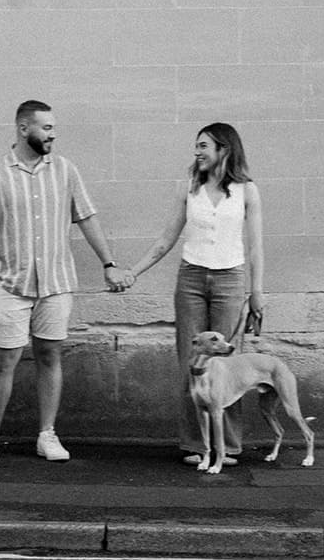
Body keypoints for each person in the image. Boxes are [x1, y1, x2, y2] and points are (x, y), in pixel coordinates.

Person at [0, 100, 132, 462]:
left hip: (56, 283)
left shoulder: (66, 170)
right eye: (47, 128)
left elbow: (86, 218)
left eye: (54, 128)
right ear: (24, 128)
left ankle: (47, 435)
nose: (53, 135)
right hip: (8, 283)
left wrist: (109, 263)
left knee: (49, 354)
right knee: (4, 359)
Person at [123, 122, 265, 465]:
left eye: (203, 145)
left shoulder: (247, 191)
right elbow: (166, 239)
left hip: (231, 279)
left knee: (226, 364)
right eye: (196, 146)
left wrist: (257, 293)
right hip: (191, 279)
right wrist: (133, 272)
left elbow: (255, 246)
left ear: (223, 149)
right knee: (192, 361)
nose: (197, 152)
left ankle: (227, 447)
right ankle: (197, 445)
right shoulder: (187, 187)